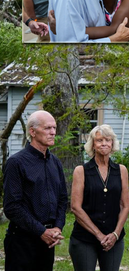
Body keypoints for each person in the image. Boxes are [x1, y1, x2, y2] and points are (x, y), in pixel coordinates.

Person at [3, 110, 67, 271]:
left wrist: (57, 228)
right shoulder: (16, 163)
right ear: (32, 131)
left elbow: (62, 199)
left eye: (54, 128)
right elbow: (12, 207)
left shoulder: (55, 163)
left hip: (48, 241)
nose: (53, 132)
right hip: (22, 241)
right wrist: (41, 231)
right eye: (47, 128)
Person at [69, 125, 129, 271]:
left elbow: (125, 206)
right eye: (99, 140)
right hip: (85, 239)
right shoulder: (81, 171)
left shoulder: (121, 170)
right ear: (93, 144)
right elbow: (75, 208)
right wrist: (99, 235)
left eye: (108, 140)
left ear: (112, 143)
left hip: (114, 239)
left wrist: (115, 234)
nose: (104, 143)